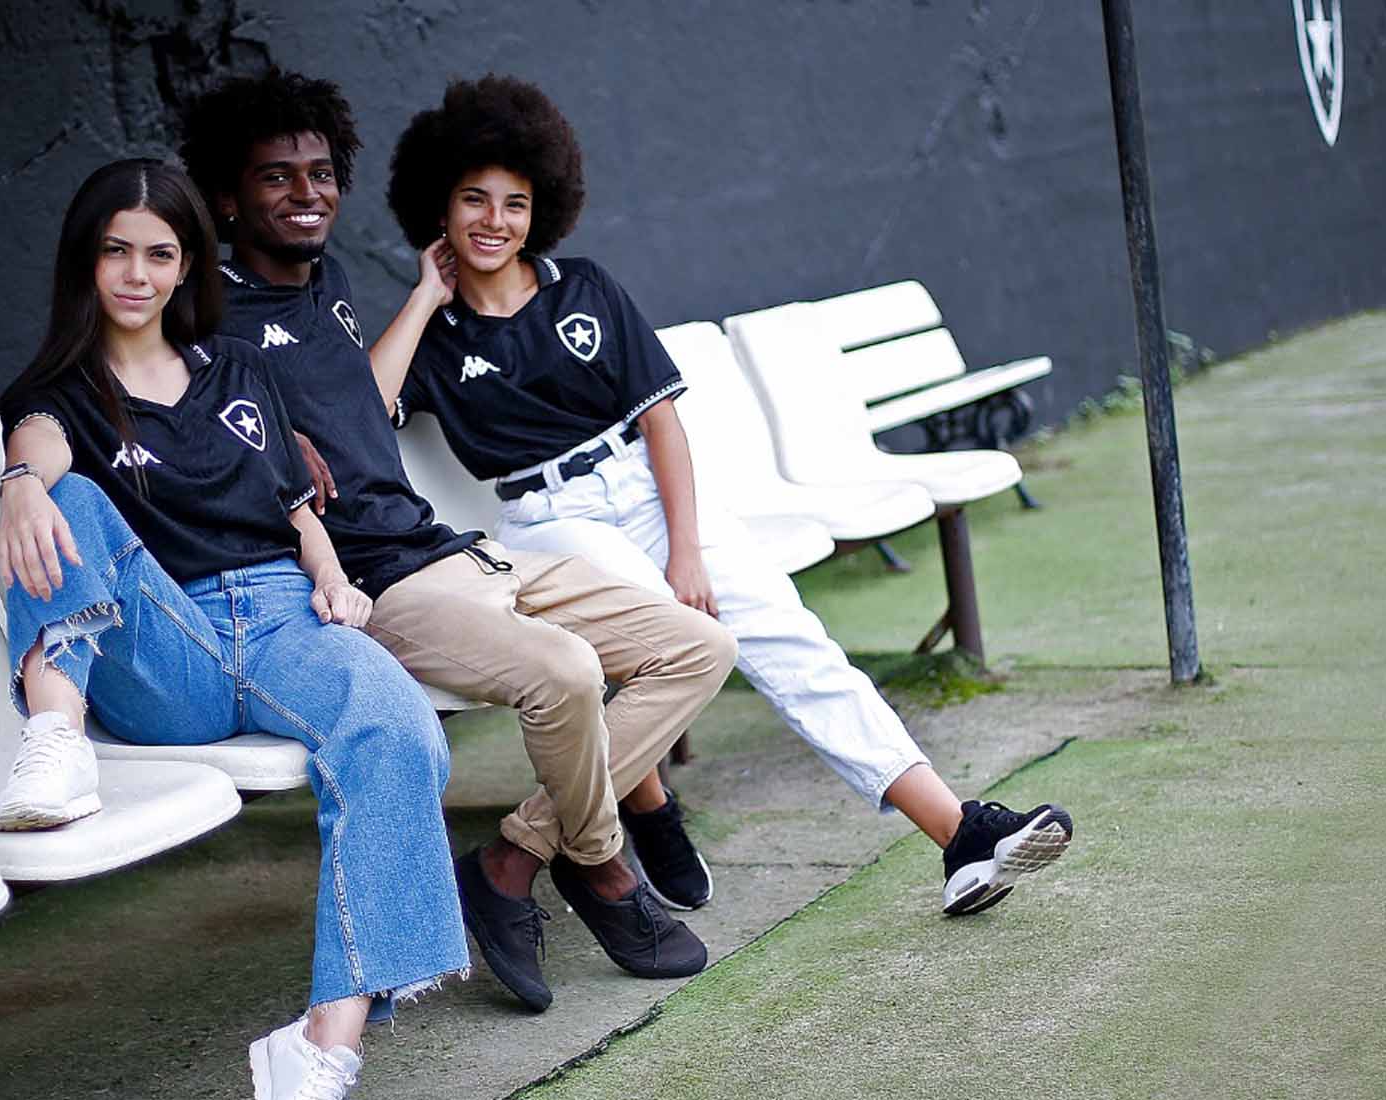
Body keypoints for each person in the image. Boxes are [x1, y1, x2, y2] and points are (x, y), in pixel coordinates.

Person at [377, 75, 1075, 918]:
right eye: (474, 199)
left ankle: (957, 833)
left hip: (644, 489)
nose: (495, 220)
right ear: (439, 206)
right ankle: (649, 807)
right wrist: (424, 296)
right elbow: (364, 410)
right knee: (652, 640)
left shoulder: (584, 288)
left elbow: (662, 424)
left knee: (791, 635)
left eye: (515, 203)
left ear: (541, 209)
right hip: (549, 521)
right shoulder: (433, 335)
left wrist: (687, 550)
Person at [176, 70, 738, 1014]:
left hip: (451, 548)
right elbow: (168, 422)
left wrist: (427, 295)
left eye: (321, 174)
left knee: (700, 645)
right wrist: (264, 443)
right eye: (277, 177)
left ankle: (516, 856)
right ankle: (605, 872)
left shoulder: (331, 286)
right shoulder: (205, 319)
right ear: (227, 198)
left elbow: (366, 407)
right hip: (375, 585)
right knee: (565, 671)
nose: (307, 193)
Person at [0, 157, 466, 1100]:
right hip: (169, 646)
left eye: (160, 254)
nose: (137, 274)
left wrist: (334, 580)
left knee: (399, 727)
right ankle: (54, 741)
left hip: (287, 619)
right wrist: (20, 482)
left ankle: (323, 1047)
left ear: (187, 266)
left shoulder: (238, 367)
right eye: (116, 251)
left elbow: (295, 505)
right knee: (66, 496)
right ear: (85, 261)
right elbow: (36, 442)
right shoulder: (57, 391)